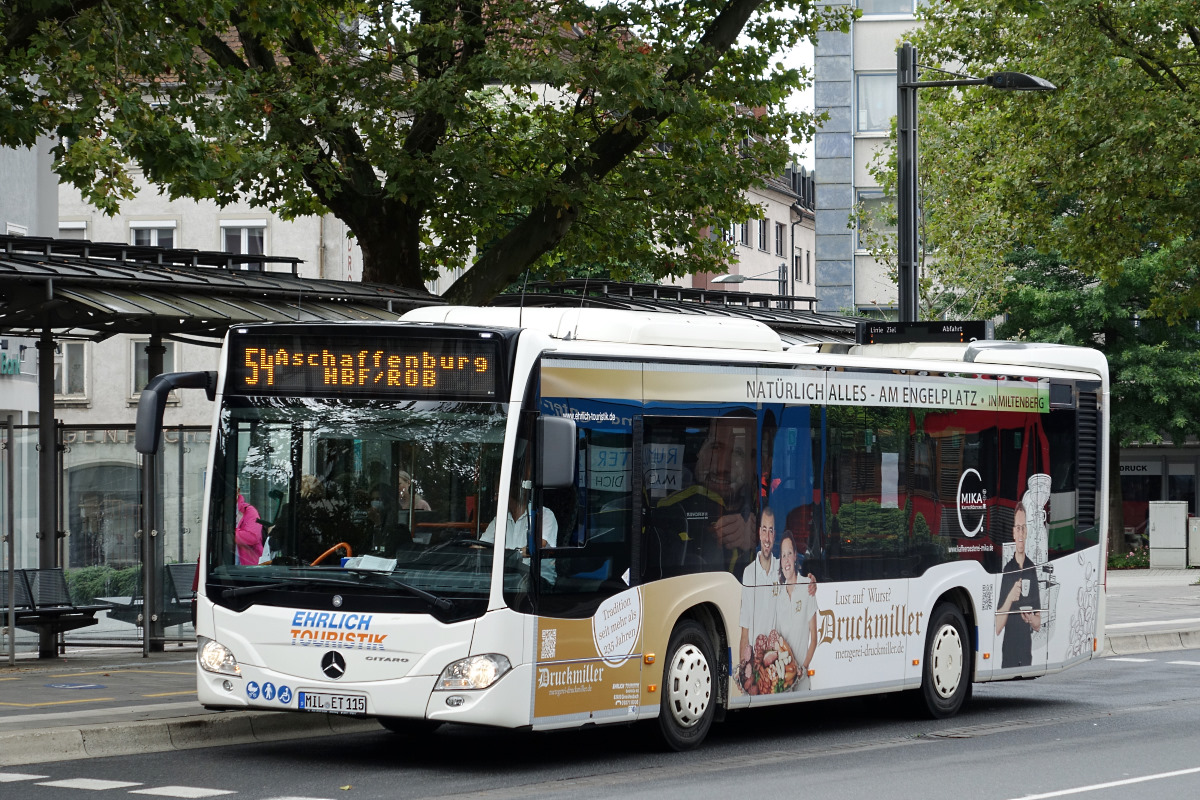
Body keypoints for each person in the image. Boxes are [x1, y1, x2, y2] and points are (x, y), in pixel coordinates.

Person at [649, 415, 757, 577]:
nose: (723, 466)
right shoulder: (667, 509)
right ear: (699, 450)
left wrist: (761, 540)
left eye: (738, 453)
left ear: (754, 465)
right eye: (715, 447)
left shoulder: (769, 514)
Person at [481, 474, 559, 584]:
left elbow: (536, 546)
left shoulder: (544, 514)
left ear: (512, 492)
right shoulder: (499, 520)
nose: (495, 498)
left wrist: (512, 555)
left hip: (537, 581)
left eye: (497, 493)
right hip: (507, 575)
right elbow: (481, 545)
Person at [996, 503, 1042, 667]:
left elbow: (1038, 624)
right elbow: (997, 626)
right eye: (1017, 528)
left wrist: (1030, 619)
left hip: (1026, 652)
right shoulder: (1008, 569)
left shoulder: (1031, 568)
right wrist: (1009, 598)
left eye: (1023, 528)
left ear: (1027, 531)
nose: (1021, 532)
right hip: (1008, 652)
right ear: (1013, 533)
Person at [773, 532, 818, 690]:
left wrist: (803, 669)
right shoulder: (778, 595)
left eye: (789, 553)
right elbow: (777, 641)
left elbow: (814, 638)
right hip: (784, 682)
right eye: (783, 555)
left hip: (802, 681)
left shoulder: (808, 587)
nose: (786, 559)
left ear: (795, 557)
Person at [739, 507, 779, 674]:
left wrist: (812, 580)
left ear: (774, 534)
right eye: (764, 530)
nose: (767, 538)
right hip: (756, 666)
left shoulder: (782, 570)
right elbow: (745, 630)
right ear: (759, 533)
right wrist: (743, 672)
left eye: (771, 531)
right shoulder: (749, 573)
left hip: (777, 663)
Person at [235, 490, 263, 565]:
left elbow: (252, 537)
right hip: (223, 567)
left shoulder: (249, 511)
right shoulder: (216, 511)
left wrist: (230, 533)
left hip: (247, 568)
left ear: (238, 491)